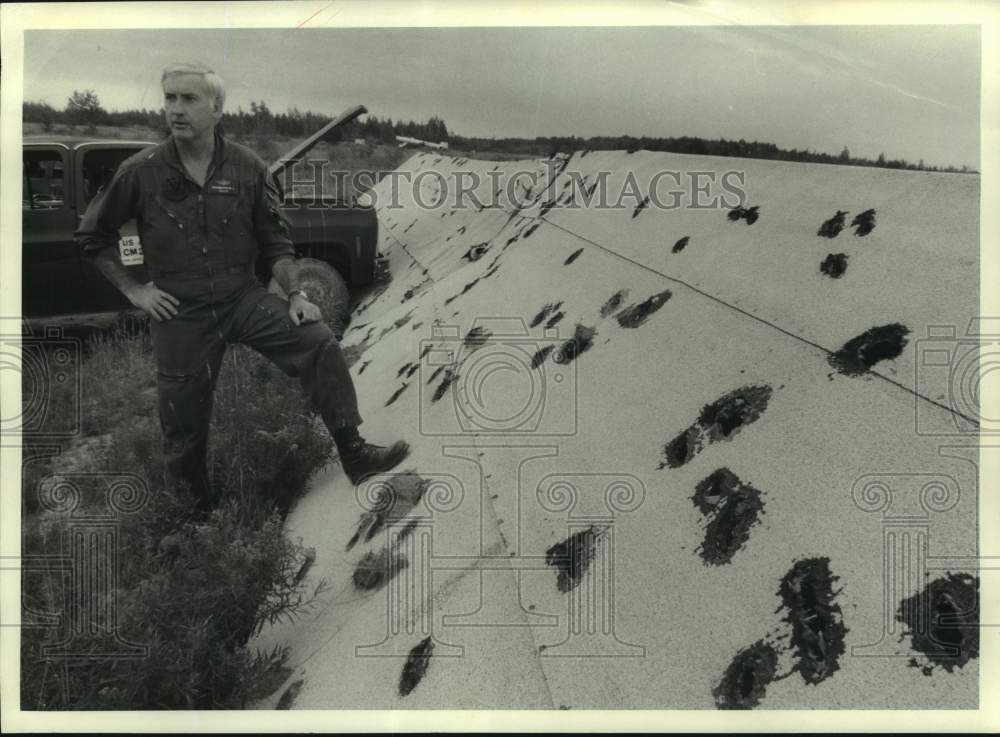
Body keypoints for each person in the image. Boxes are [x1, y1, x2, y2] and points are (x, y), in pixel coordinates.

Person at [75, 62, 409, 509]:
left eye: (188, 99)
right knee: (182, 421)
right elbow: (92, 237)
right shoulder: (141, 171)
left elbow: (276, 242)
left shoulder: (248, 168)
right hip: (181, 311)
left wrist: (294, 294)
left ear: (216, 107)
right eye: (170, 98)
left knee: (318, 341)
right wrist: (136, 291)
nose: (176, 109)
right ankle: (195, 518)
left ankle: (354, 453)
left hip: (240, 297)